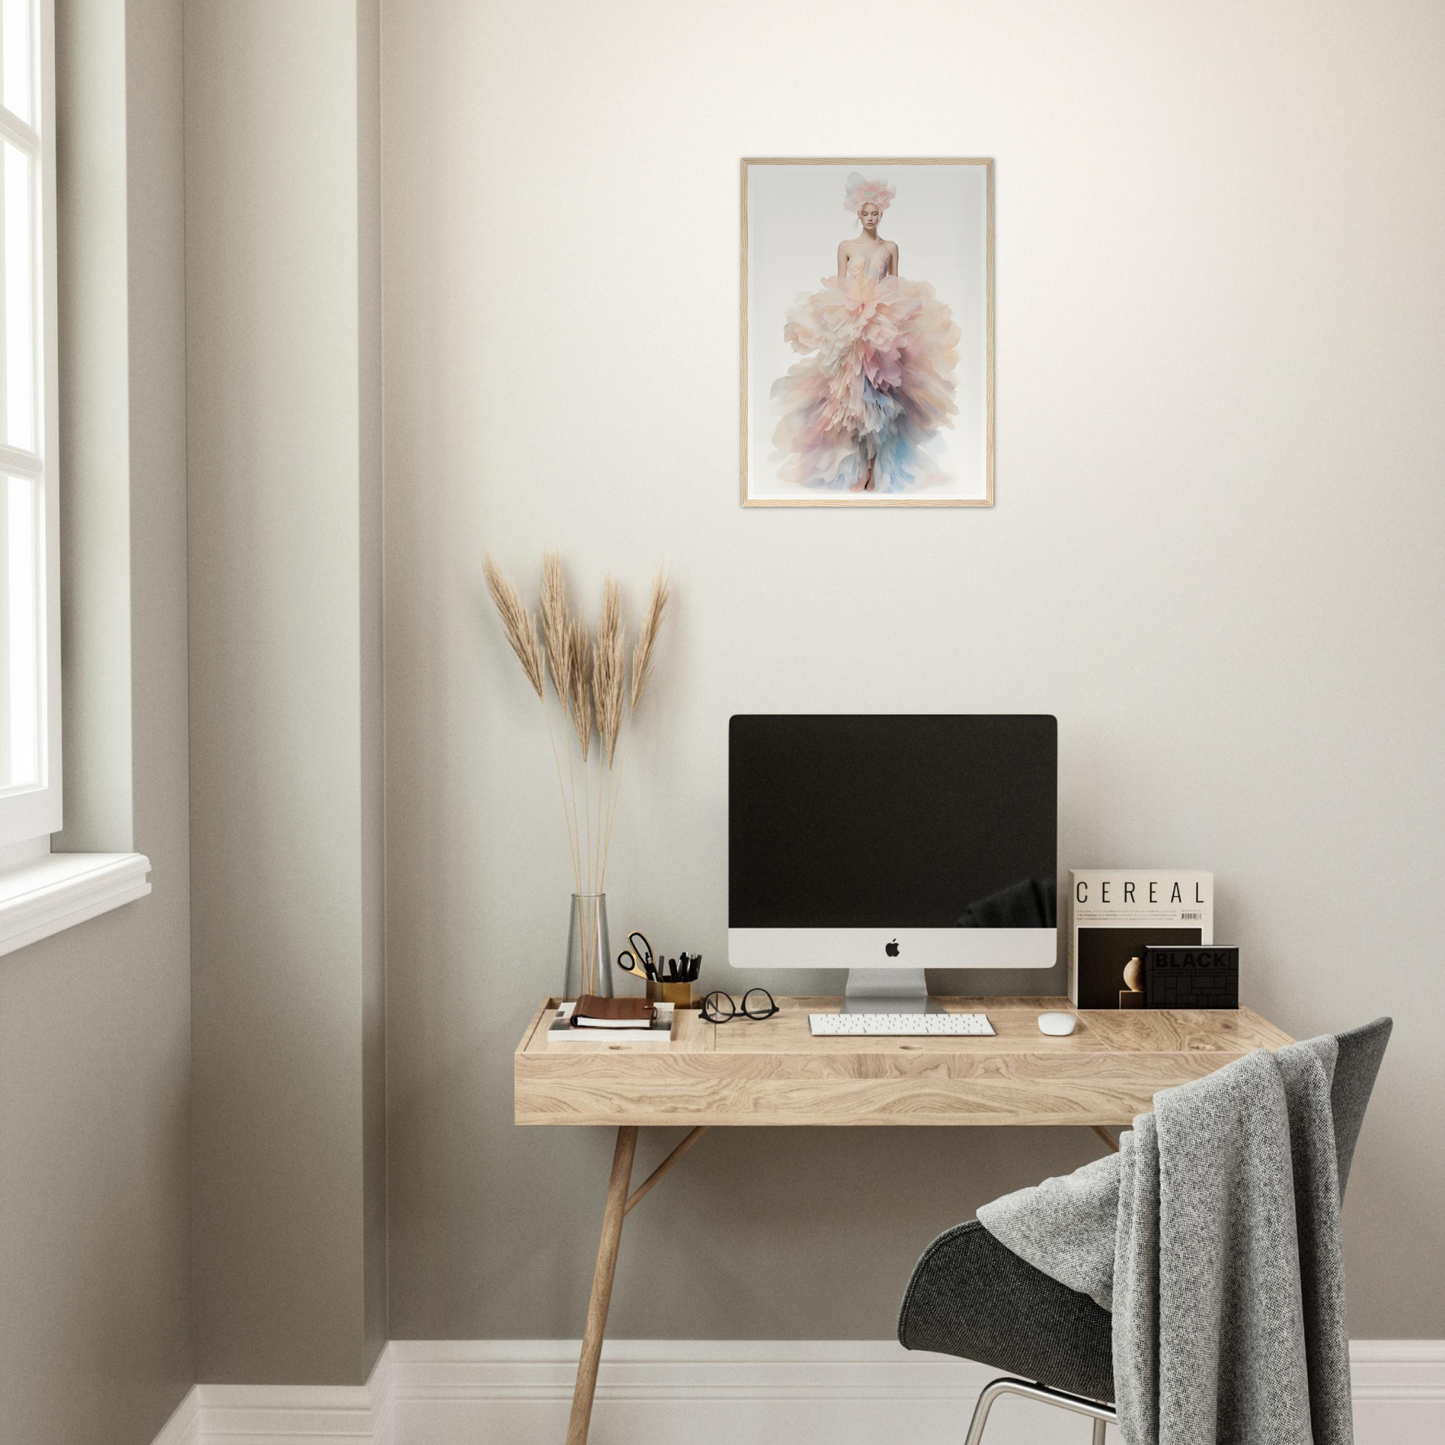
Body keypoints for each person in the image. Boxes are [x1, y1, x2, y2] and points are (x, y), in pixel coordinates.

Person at [771, 173, 960, 493]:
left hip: (884, 326)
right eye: (865, 213)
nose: (870, 218)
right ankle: (857, 469)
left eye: (875, 214)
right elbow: (840, 286)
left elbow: (896, 286)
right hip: (852, 327)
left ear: (881, 214)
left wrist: (899, 321)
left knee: (883, 399)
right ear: (858, 214)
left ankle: (875, 470)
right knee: (852, 399)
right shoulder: (846, 247)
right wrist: (833, 323)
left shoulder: (890, 247)